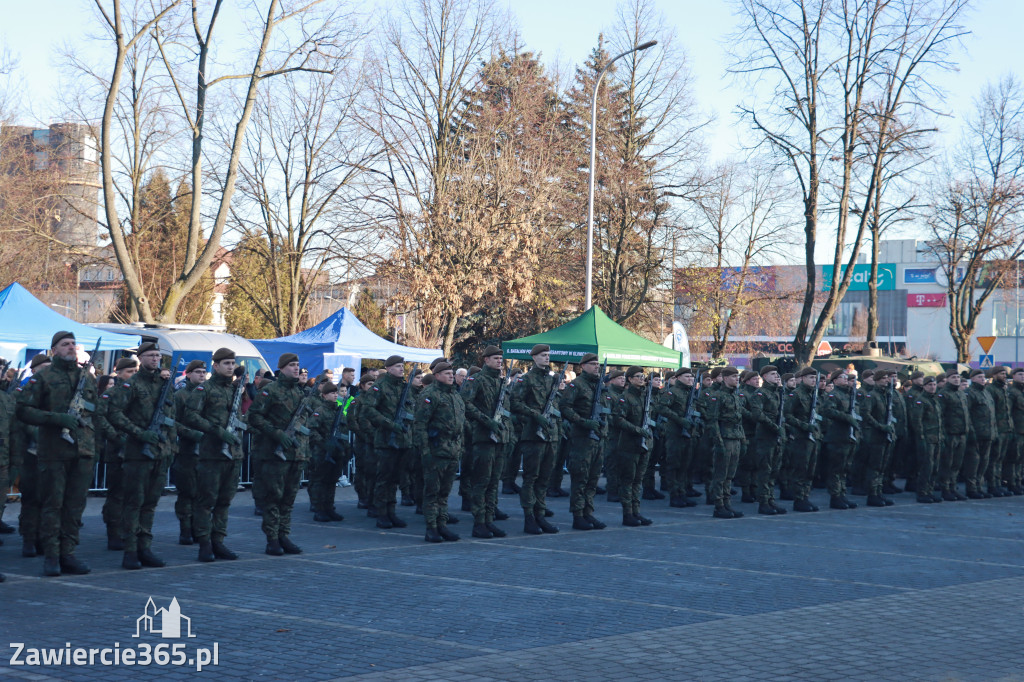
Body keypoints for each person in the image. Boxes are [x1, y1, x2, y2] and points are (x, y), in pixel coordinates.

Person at [16, 331, 97, 576]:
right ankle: (51, 555)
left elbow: (96, 414)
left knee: (75, 506)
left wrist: (95, 446)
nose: (71, 347)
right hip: (54, 451)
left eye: (73, 343)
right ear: (54, 350)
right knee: (53, 504)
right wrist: (55, 419)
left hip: (82, 450)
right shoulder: (43, 378)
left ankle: (68, 553)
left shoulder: (87, 377)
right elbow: (23, 410)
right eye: (65, 344)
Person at [106, 343, 176, 570]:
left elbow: (170, 417)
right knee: (134, 503)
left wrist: (170, 446)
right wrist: (138, 433)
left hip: (160, 452)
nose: (155, 359)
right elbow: (114, 413)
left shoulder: (164, 384)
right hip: (137, 453)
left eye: (158, 355)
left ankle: (145, 547)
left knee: (150, 504)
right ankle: (130, 550)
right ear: (141, 358)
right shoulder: (131, 384)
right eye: (151, 355)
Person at [183, 348, 246, 562]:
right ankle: (204, 543)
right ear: (216, 366)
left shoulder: (235, 390)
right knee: (206, 501)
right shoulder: (205, 389)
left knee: (224, 501)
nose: (230, 366)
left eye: (232, 363)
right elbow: (190, 415)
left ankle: (218, 541)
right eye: (226, 363)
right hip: (212, 454)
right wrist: (215, 430)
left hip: (233, 454)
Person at [247, 352, 311, 555]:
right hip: (274, 454)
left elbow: (304, 418)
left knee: (289, 498)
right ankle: (272, 539)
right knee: (273, 497)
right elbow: (254, 417)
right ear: (282, 367)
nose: (296, 368)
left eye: (297, 365)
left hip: (295, 453)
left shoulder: (300, 392)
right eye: (292, 365)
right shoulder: (271, 390)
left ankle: (284, 535)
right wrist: (276, 434)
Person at [461, 346, 511, 539]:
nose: (500, 361)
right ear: (486, 360)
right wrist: (485, 420)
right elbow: (465, 403)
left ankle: (489, 520)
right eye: (496, 358)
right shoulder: (477, 380)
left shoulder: (500, 381)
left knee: (493, 483)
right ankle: (479, 522)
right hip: (483, 437)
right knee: (481, 482)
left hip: (499, 437)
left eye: (501, 358)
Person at [559, 353, 613, 530]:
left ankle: (588, 513)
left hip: (598, 438)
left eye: (597, 364)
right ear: (582, 366)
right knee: (580, 478)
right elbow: (565, 407)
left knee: (592, 479)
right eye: (592, 364)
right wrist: (582, 422)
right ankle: (578, 515)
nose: (596, 366)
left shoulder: (599, 385)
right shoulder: (577, 385)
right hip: (583, 438)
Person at [510, 344, 560, 535]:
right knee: (531, 478)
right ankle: (529, 517)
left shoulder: (551, 379)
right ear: (534, 358)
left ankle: (540, 515)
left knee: (544, 479)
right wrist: (535, 415)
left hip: (549, 435)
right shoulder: (526, 380)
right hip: (532, 435)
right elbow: (515, 403)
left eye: (548, 355)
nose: (546, 358)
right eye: (542, 355)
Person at [415, 362, 466, 542]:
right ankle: (431, 527)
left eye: (452, 373)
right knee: (432, 492)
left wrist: (461, 447)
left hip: (452, 451)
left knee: (444, 492)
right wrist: (425, 451)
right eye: (446, 373)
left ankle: (442, 524)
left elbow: (461, 424)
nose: (451, 376)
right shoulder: (429, 395)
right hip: (435, 451)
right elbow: (420, 425)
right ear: (436, 376)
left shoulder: (455, 395)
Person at [363, 355, 416, 530]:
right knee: (384, 479)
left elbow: (411, 408)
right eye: (398, 366)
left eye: (403, 366)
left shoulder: (404, 387)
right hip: (386, 440)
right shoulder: (380, 387)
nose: (402, 369)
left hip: (402, 440)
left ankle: (391, 511)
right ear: (389, 368)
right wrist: (389, 425)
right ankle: (382, 513)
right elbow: (368, 410)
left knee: (395, 479)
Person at [14, 353, 50, 558]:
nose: (48, 370)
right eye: (44, 366)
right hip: (31, 450)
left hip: (52, 451)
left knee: (48, 499)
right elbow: (23, 418)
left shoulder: (55, 390)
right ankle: (29, 538)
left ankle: (42, 538)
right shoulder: (27, 389)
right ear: (35, 370)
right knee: (31, 498)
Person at [613, 366, 654, 526]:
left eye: (642, 376)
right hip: (629, 445)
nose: (641, 378)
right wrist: (637, 430)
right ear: (629, 379)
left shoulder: (645, 396)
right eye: (638, 376)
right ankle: (627, 514)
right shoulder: (625, 398)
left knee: (638, 480)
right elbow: (619, 420)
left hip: (643, 445)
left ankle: (636, 512)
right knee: (628, 481)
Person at [172, 359, 208, 545]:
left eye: (204, 372)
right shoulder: (180, 396)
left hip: (206, 452)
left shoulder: (207, 394)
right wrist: (191, 434)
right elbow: (172, 422)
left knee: (202, 493)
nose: (202, 375)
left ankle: (198, 528)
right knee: (187, 492)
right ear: (189, 374)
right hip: (187, 451)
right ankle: (185, 529)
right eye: (198, 372)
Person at [704, 366, 746, 519]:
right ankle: (719, 505)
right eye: (734, 376)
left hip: (735, 438)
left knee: (730, 475)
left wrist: (743, 439)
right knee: (720, 475)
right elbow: (713, 421)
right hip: (724, 438)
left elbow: (739, 420)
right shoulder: (717, 396)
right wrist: (718, 442)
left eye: (737, 376)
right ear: (726, 378)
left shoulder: (735, 396)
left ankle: (727, 504)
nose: (737, 379)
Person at [307, 382, 350, 523]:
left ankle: (329, 508)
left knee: (332, 481)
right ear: (324, 395)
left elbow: (344, 430)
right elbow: (312, 430)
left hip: (337, 451)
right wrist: (324, 443)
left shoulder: (338, 410)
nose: (335, 395)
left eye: (336, 393)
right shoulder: (320, 411)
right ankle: (319, 509)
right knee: (321, 481)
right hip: (322, 452)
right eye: (332, 393)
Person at [749, 365, 788, 515]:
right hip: (765, 436)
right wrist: (773, 426)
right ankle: (763, 502)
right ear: (764, 377)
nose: (777, 376)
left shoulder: (778, 393)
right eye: (772, 374)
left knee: (774, 470)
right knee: (764, 471)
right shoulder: (760, 394)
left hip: (777, 436)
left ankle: (771, 499)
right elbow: (757, 414)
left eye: (777, 374)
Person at [820, 369, 861, 510]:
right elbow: (828, 411)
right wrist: (846, 417)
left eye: (846, 377)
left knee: (844, 468)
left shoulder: (850, 395)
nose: (845, 379)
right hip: (837, 436)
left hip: (848, 436)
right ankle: (835, 496)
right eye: (842, 377)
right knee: (836, 469)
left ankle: (842, 494)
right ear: (835, 380)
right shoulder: (833, 394)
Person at [783, 367, 821, 513]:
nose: (814, 380)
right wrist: (804, 426)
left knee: (810, 470)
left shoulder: (814, 394)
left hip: (813, 437)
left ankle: (805, 496)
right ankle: (799, 499)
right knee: (801, 469)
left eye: (814, 378)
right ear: (803, 378)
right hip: (801, 437)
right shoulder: (796, 395)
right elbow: (788, 415)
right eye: (811, 378)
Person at [909, 376, 944, 503]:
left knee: (934, 467)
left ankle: (930, 491)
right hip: (926, 439)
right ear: (924, 386)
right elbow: (917, 422)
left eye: (934, 385)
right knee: (926, 467)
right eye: (929, 385)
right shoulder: (921, 401)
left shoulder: (935, 400)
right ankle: (922, 492)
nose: (932, 387)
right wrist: (921, 438)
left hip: (937, 438)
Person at [964, 369, 996, 498]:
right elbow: (968, 415)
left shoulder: (986, 393)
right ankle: (971, 489)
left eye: (983, 377)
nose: (983, 379)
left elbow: (992, 415)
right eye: (979, 377)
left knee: (984, 463)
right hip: (976, 434)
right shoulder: (969, 393)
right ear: (973, 379)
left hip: (988, 434)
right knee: (973, 463)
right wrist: (971, 432)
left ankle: (979, 487)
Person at [349, 373, 377, 513]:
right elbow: (352, 420)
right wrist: (362, 435)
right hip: (362, 441)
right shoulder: (357, 401)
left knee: (374, 470)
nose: (372, 387)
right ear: (362, 386)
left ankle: (373, 498)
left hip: (375, 440)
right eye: (369, 384)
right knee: (362, 470)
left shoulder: (376, 400)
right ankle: (362, 496)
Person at [985, 367, 1013, 497]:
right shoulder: (991, 390)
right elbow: (991, 412)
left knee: (1001, 459)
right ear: (994, 375)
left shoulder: (1004, 389)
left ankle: (998, 484)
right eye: (1002, 374)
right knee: (994, 459)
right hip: (997, 429)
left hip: (1006, 428)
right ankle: (992, 485)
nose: (1004, 376)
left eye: (1005, 374)